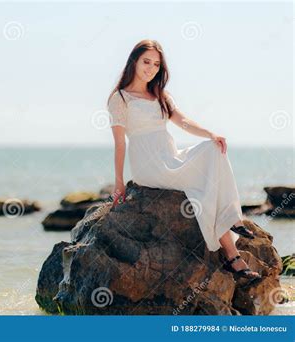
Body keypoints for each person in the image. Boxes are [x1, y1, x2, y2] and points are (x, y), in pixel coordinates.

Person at [108, 39, 261, 281]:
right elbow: (119, 143)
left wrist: (211, 134)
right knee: (205, 183)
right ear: (134, 61)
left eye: (156, 64)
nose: (150, 68)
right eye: (146, 61)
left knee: (213, 151)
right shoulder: (120, 98)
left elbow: (183, 122)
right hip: (149, 165)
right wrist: (119, 184)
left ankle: (233, 237)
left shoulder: (160, 94)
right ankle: (232, 249)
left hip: (171, 156)